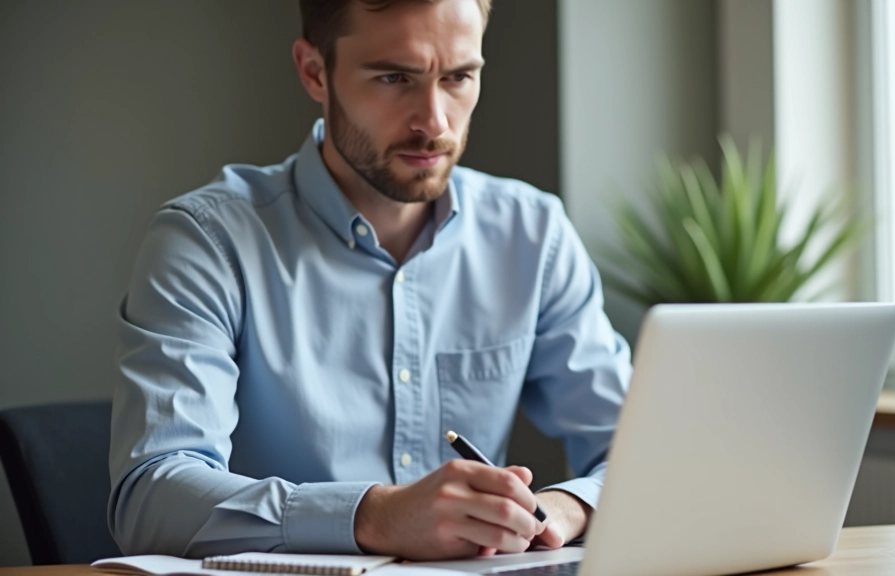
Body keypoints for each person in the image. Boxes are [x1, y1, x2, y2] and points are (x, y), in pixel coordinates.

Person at [108, 0, 630, 561]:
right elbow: (151, 495)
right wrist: (374, 516)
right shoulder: (207, 241)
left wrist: (562, 509)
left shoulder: (533, 235)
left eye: (458, 77)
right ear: (315, 71)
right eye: (393, 77)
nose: (434, 122)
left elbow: (640, 449)